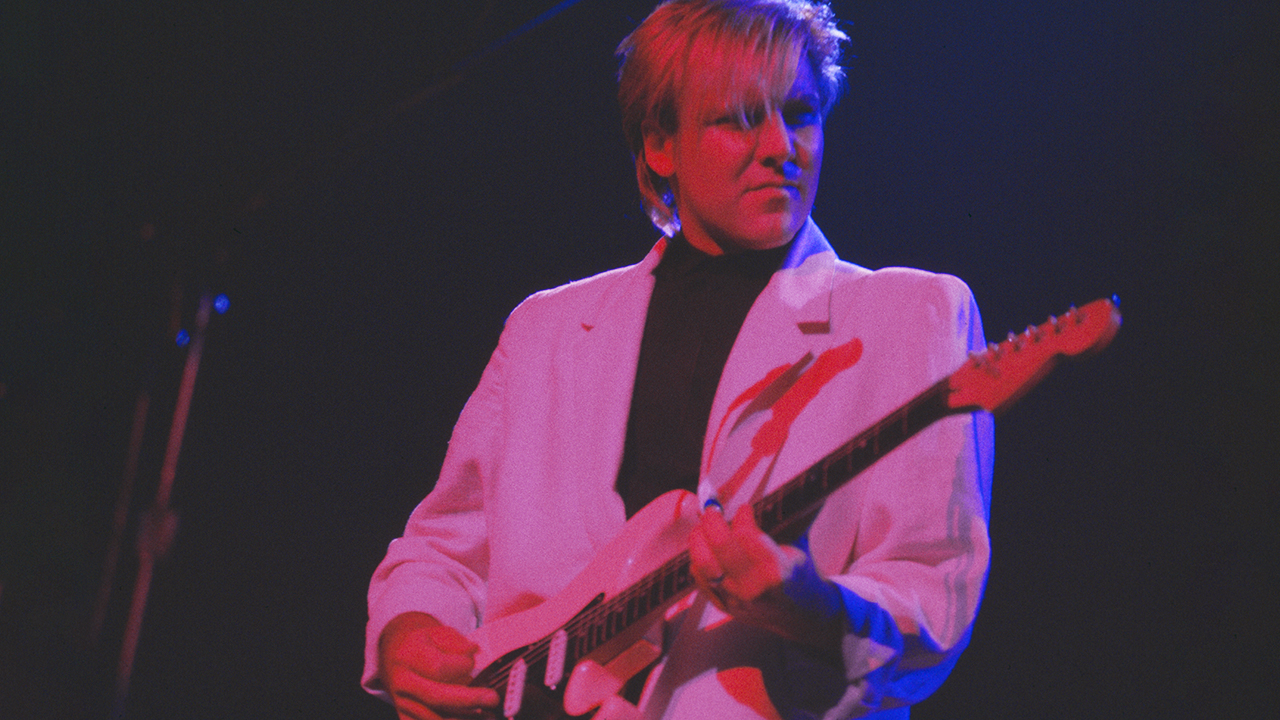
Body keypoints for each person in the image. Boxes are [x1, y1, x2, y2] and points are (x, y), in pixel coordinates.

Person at [363, 1, 994, 718]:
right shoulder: (545, 331)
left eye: (801, 113)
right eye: (739, 120)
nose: (781, 146)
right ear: (661, 146)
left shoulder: (912, 317)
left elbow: (933, 591)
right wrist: (409, 630)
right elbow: (443, 551)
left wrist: (812, 606)